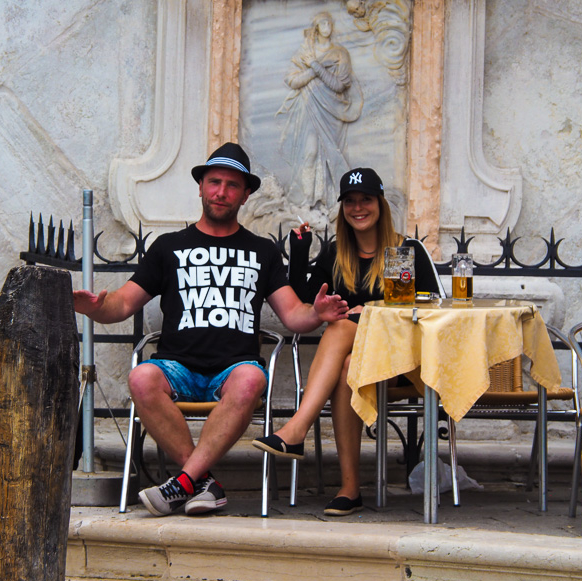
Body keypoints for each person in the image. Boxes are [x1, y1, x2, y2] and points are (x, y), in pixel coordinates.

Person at [73, 143, 349, 517]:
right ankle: (202, 483)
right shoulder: (168, 247)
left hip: (234, 367)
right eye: (214, 182)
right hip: (177, 366)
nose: (221, 192)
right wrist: (95, 308)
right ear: (201, 186)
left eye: (232, 185)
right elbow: (121, 304)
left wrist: (316, 313)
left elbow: (293, 316)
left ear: (246, 194)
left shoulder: (262, 251)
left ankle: (184, 482)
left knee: (252, 379)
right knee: (141, 378)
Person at [253, 167, 403, 516]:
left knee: (343, 324)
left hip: (398, 361)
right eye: (350, 201)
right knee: (347, 363)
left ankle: (297, 427)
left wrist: (371, 312)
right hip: (356, 365)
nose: (358, 207)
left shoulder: (402, 252)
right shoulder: (337, 254)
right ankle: (350, 490)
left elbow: (421, 307)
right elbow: (308, 301)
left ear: (380, 204)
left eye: (366, 199)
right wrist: (300, 252)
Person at [277, 11, 363, 208]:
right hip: (309, 108)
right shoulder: (304, 54)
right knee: (310, 152)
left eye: (329, 22)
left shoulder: (340, 54)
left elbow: (339, 86)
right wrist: (312, 68)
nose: (328, 26)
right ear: (316, 28)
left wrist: (315, 66)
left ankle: (333, 200)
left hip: (333, 111)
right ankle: (306, 200)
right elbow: (293, 80)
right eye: (323, 23)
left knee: (331, 154)